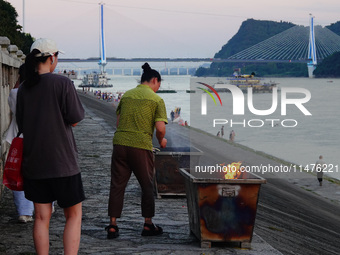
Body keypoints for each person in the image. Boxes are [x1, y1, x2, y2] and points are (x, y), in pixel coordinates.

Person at [16, 38, 85, 255]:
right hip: (63, 163)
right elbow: (74, 118)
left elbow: (21, 122)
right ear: (51, 58)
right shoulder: (63, 84)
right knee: (73, 215)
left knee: (41, 217)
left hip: (34, 163)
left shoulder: (25, 88)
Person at [107, 63, 167, 239]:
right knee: (147, 185)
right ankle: (148, 224)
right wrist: (161, 139)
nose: (158, 89)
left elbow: (118, 123)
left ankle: (112, 225)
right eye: (159, 85)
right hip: (140, 145)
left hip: (120, 143)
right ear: (155, 80)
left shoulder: (126, 95)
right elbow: (160, 127)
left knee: (117, 185)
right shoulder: (156, 100)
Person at [5, 64, 34, 223]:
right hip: (38, 140)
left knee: (18, 174)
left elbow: (15, 91)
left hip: (19, 139)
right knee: (40, 173)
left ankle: (24, 211)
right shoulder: (41, 93)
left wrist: (20, 78)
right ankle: (45, 205)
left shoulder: (15, 93)